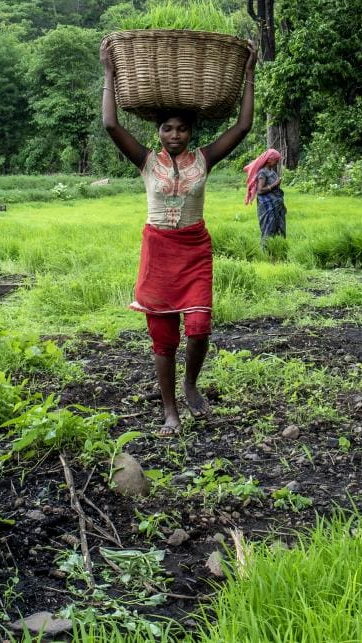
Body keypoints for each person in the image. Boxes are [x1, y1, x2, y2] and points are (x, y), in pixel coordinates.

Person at [101, 38, 257, 437]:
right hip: (158, 248)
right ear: (158, 132)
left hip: (193, 247)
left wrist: (249, 75)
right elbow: (111, 124)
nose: (175, 134)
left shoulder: (204, 158)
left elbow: (243, 126)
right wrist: (109, 73)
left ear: (191, 132)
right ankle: (169, 409)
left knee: (200, 325)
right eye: (168, 128)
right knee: (163, 334)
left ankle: (190, 384)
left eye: (182, 128)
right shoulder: (146, 160)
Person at [244, 148, 285, 246]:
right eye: (276, 161)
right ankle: (265, 253)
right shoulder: (263, 173)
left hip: (277, 206)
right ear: (269, 160)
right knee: (268, 230)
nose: (277, 163)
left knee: (279, 229)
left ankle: (277, 250)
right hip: (268, 208)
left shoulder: (272, 172)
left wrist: (282, 206)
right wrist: (275, 184)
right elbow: (260, 190)